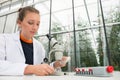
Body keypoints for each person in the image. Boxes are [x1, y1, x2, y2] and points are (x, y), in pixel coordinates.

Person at [0, 6, 67, 76]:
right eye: (30, 23)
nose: (35, 27)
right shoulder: (4, 40)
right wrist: (29, 69)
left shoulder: (39, 46)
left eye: (37, 24)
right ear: (19, 23)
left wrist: (55, 64)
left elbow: (41, 66)